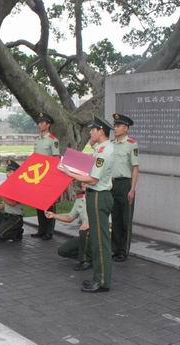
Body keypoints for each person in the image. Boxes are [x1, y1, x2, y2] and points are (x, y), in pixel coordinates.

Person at [59, 116, 115, 293]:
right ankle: (99, 277)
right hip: (96, 194)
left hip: (98, 195)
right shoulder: (101, 148)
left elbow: (92, 178)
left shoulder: (104, 151)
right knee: (98, 239)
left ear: (101, 131)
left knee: (99, 241)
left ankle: (102, 281)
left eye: (93, 130)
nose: (90, 132)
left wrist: (69, 173)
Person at [110, 113, 139, 262]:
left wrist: (132, 189)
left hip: (125, 184)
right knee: (115, 218)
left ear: (126, 128)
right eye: (115, 125)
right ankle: (114, 248)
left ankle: (123, 250)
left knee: (125, 218)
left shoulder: (132, 144)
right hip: (112, 184)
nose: (115, 128)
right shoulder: (111, 144)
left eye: (118, 126)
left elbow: (135, 168)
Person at [45, 183, 92, 271]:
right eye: (82, 180)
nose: (83, 183)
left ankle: (86, 261)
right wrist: (54, 215)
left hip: (99, 235)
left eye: (86, 180)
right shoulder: (80, 199)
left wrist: (90, 224)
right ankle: (91, 256)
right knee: (63, 251)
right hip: (85, 236)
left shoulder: (100, 199)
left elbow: (109, 222)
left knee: (84, 232)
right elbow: (70, 218)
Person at [31, 112, 60, 240]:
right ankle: (41, 230)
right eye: (39, 122)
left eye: (43, 122)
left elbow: (56, 158)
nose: (40, 124)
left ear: (48, 125)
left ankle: (49, 231)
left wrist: (52, 177)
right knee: (39, 203)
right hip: (38, 176)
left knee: (49, 204)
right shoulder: (37, 140)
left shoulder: (53, 140)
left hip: (48, 176)